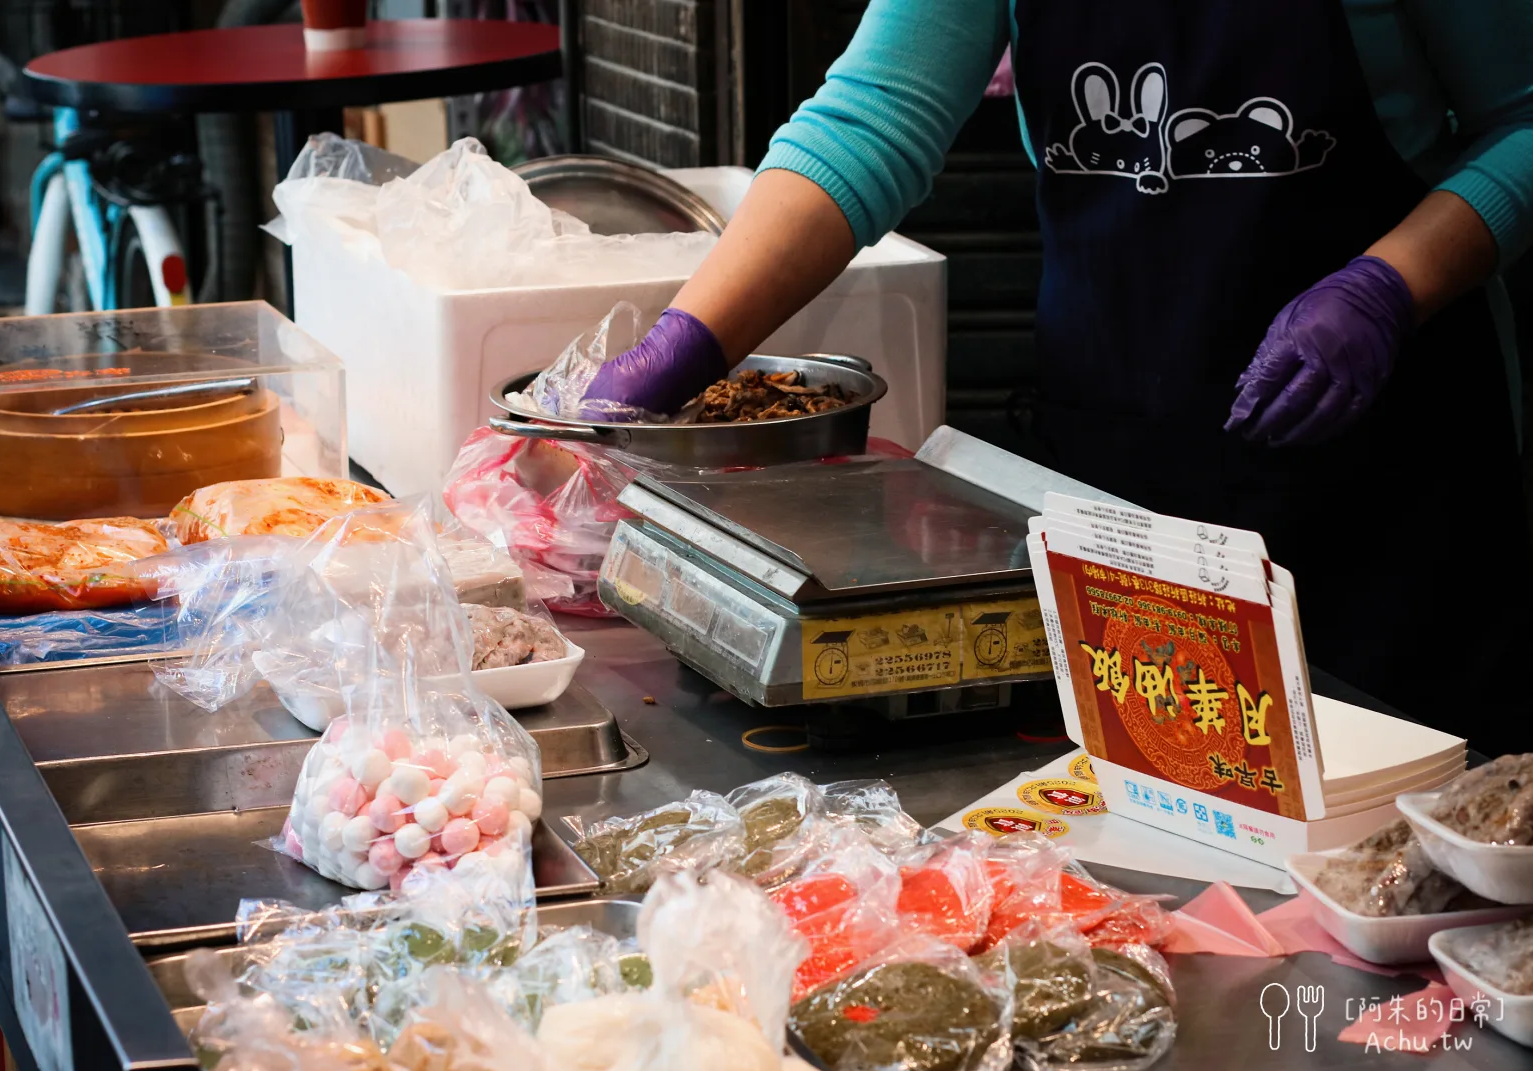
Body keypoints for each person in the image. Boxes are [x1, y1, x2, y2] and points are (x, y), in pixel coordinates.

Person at [581, 1, 1533, 753]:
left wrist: (1390, 286)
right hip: (1123, 459)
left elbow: (1522, 121)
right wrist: (686, 345)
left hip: (1387, 497)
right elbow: (872, 116)